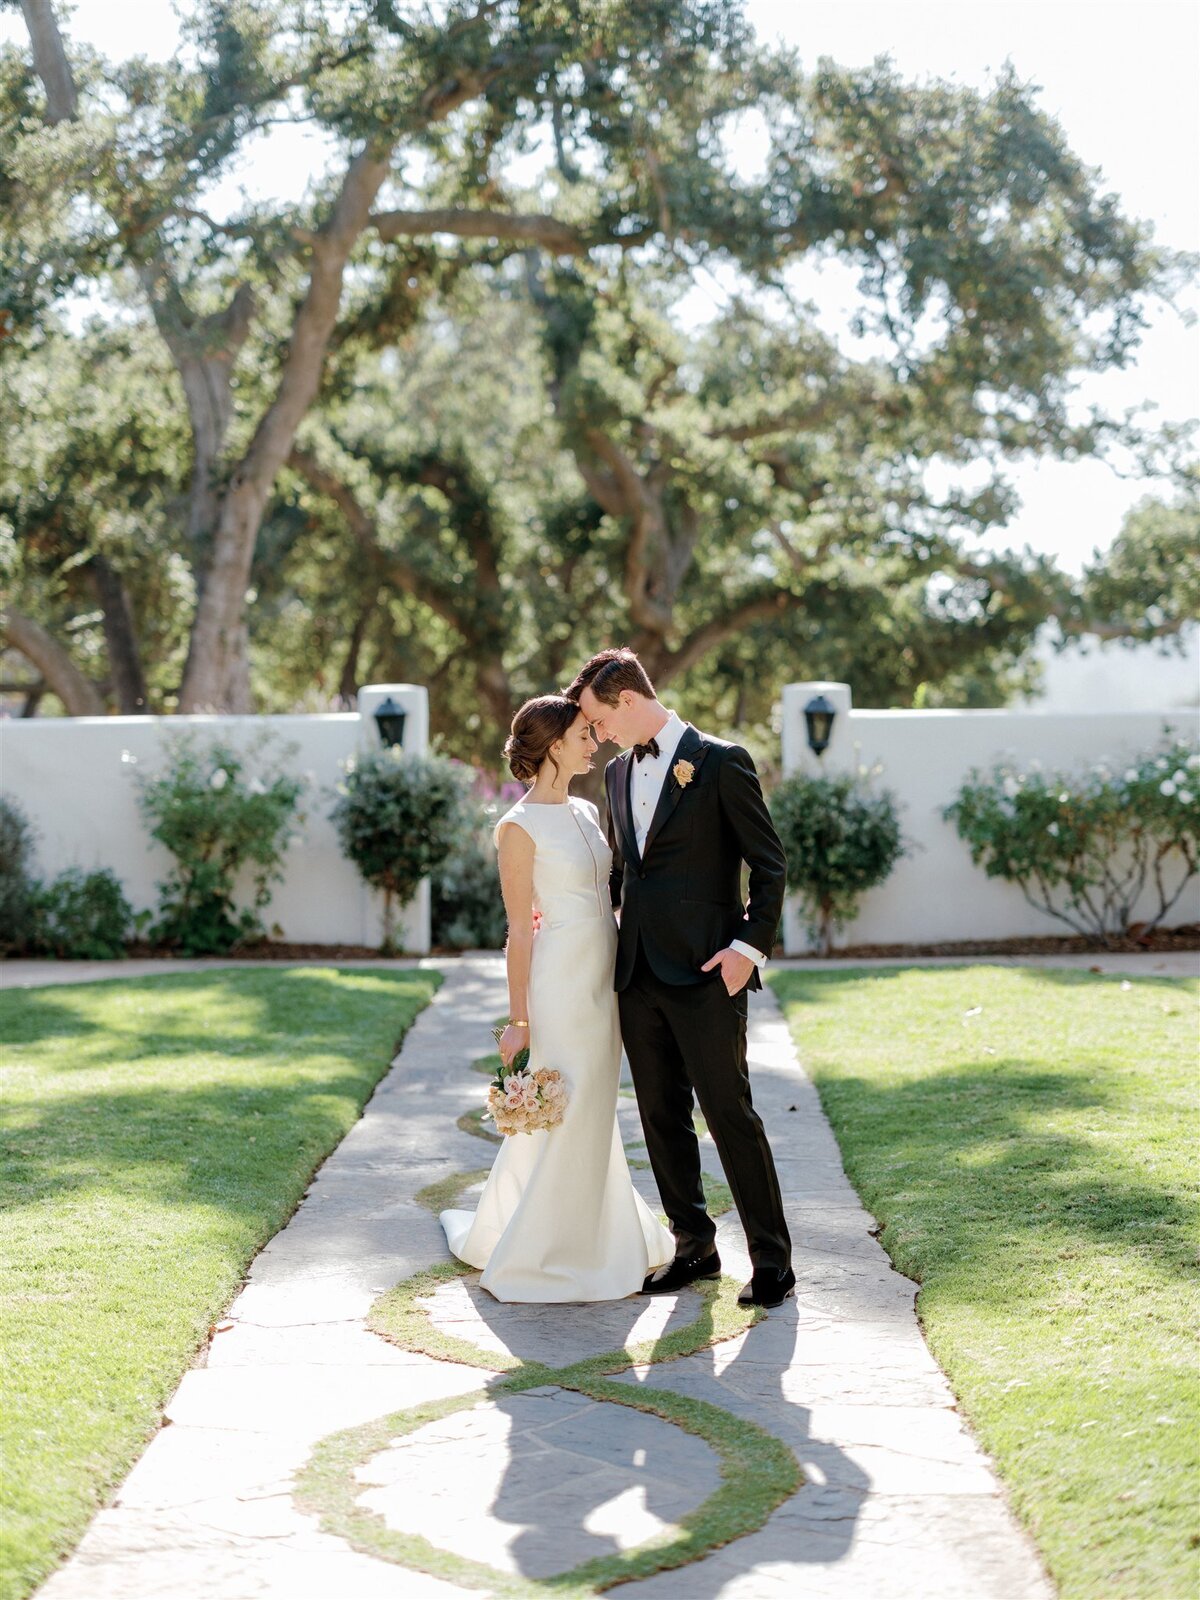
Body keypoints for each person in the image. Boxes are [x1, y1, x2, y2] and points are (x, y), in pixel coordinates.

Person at [565, 647, 796, 1309]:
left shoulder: (724, 761)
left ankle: (773, 1262)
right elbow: (623, 875)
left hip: (706, 974)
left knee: (729, 1113)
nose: (598, 734)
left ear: (628, 702)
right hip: (636, 972)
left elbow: (770, 867)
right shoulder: (614, 776)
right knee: (660, 1116)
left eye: (599, 720)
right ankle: (693, 1244)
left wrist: (745, 950)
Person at [440, 694, 675, 1301]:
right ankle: (550, 1249)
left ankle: (596, 1230)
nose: (593, 741)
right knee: (568, 1106)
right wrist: (518, 1018)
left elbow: (608, 892)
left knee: (595, 1104)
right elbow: (519, 931)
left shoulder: (587, 810)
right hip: (561, 984)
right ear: (551, 746)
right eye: (580, 734)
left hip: (607, 976)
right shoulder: (516, 828)